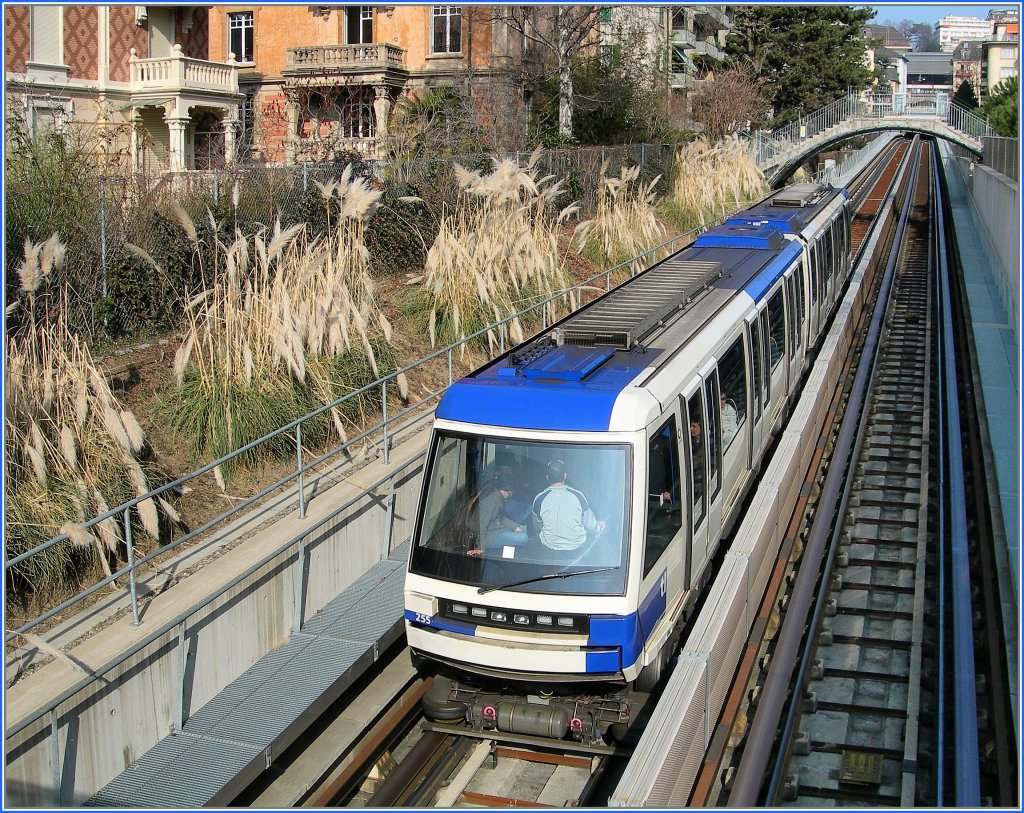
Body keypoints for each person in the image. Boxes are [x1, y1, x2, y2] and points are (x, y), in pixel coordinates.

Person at [531, 460, 605, 551]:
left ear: (547, 477)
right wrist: (599, 526)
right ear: (565, 475)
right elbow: (591, 525)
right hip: (577, 549)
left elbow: (537, 527)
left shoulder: (539, 499)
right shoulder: (578, 496)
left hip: (548, 548)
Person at [468, 475, 528, 556]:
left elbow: (501, 518)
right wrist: (480, 548)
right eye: (509, 494)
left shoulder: (497, 496)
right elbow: (481, 524)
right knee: (523, 538)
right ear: (503, 490)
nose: (509, 497)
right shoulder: (492, 498)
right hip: (488, 537)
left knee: (523, 531)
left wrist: (515, 527)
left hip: (494, 530)